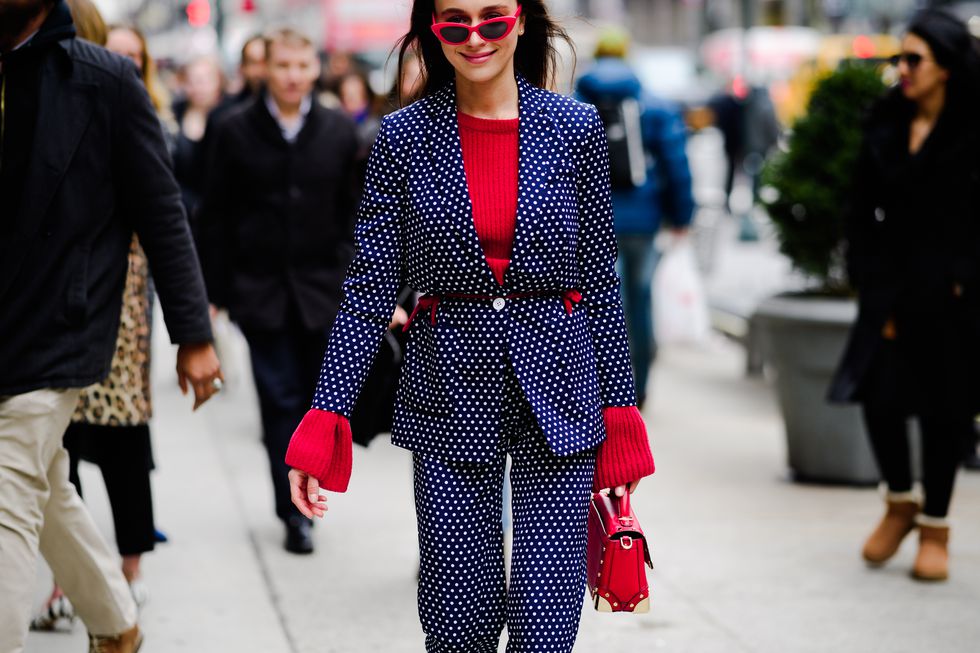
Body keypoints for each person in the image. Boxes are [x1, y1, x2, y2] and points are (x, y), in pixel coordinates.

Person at [283, 1, 655, 650]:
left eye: (491, 17)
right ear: (432, 30)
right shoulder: (401, 138)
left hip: (560, 396)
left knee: (546, 630)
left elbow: (600, 282)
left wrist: (622, 418)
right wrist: (325, 416)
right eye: (455, 22)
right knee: (459, 628)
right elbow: (370, 289)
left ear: (519, 20)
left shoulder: (576, 128)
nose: (475, 37)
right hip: (447, 389)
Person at [0, 1, 222, 651]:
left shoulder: (105, 81)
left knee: (7, 487)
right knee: (44, 482)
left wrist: (194, 333)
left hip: (58, 326)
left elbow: (161, 210)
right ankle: (116, 622)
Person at [29, 22, 175, 633]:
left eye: (130, 58)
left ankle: (129, 575)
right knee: (61, 452)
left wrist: (191, 327)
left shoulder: (141, 120)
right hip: (54, 303)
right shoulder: (58, 107)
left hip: (123, 305)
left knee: (120, 445)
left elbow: (166, 219)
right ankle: (73, 580)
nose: (115, 64)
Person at [829, 9, 980, 582]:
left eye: (913, 58)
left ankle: (936, 525)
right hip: (889, 283)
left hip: (954, 288)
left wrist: (967, 276)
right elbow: (859, 205)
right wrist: (866, 273)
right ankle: (898, 502)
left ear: (945, 66)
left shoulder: (973, 126)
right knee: (879, 397)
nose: (902, 68)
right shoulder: (886, 119)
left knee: (946, 411)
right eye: (899, 58)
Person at [197, 27, 361, 555]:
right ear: (265, 68)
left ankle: (310, 492)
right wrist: (214, 292)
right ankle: (293, 513)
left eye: (301, 65)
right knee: (278, 402)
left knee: (318, 404)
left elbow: (355, 219)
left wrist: (353, 284)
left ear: (316, 68)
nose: (292, 75)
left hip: (322, 293)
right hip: (260, 291)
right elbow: (215, 215)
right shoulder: (235, 129)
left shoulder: (338, 131)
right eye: (283, 65)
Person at [575, 27, 695, 409]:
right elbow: (676, 163)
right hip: (643, 222)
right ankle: (636, 390)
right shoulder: (653, 103)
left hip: (591, 222)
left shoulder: (575, 101)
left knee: (599, 303)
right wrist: (681, 215)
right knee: (639, 305)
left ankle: (598, 391)